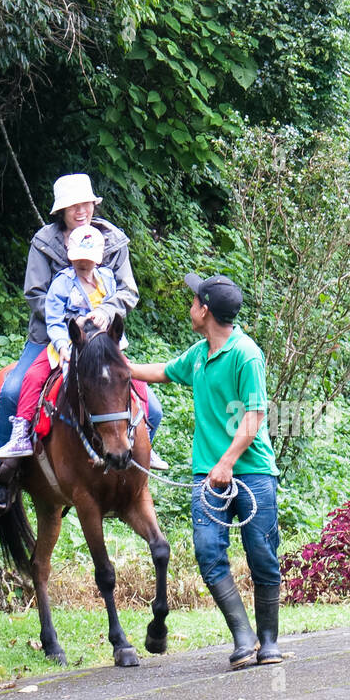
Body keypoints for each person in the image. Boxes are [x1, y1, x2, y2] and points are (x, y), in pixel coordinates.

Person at [0, 173, 165, 513]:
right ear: (61, 211)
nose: (80, 210)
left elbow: (127, 291)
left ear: (94, 204)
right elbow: (35, 294)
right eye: (72, 206)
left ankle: (136, 466)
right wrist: (68, 323)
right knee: (11, 391)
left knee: (152, 406)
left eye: (85, 204)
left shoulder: (113, 242)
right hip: (53, 336)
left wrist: (108, 311)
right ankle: (1, 478)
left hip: (103, 343)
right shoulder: (44, 243)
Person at [128, 273, 282, 669]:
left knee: (262, 555)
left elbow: (256, 414)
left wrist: (227, 461)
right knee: (208, 552)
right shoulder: (199, 354)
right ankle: (243, 638)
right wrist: (121, 367)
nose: (190, 305)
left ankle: (268, 641)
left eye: (195, 300)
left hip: (252, 473)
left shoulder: (246, 354)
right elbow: (163, 370)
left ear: (206, 310)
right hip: (206, 475)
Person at [0, 225, 121, 459]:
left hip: (102, 349)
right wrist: (62, 344)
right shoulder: (63, 282)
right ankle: (20, 431)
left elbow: (113, 305)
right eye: (78, 259)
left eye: (88, 260)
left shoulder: (107, 280)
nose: (83, 264)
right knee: (32, 377)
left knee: (128, 379)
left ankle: (139, 432)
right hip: (70, 345)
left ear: (99, 259)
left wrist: (105, 314)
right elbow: (54, 317)